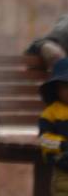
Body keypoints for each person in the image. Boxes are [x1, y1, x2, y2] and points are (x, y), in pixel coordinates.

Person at [39, 57, 68, 195]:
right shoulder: (51, 113)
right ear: (56, 89)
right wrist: (63, 145)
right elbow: (44, 140)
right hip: (64, 169)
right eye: (65, 86)